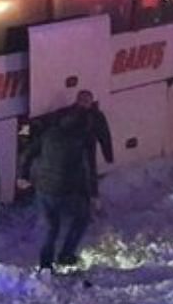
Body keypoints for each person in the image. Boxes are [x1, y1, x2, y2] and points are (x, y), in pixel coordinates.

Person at [18, 90, 114, 271]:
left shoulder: (49, 133)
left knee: (51, 228)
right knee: (82, 218)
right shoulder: (82, 140)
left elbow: (27, 152)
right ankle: (66, 255)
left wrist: (23, 176)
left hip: (44, 189)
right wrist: (93, 194)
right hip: (66, 190)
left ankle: (45, 265)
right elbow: (88, 170)